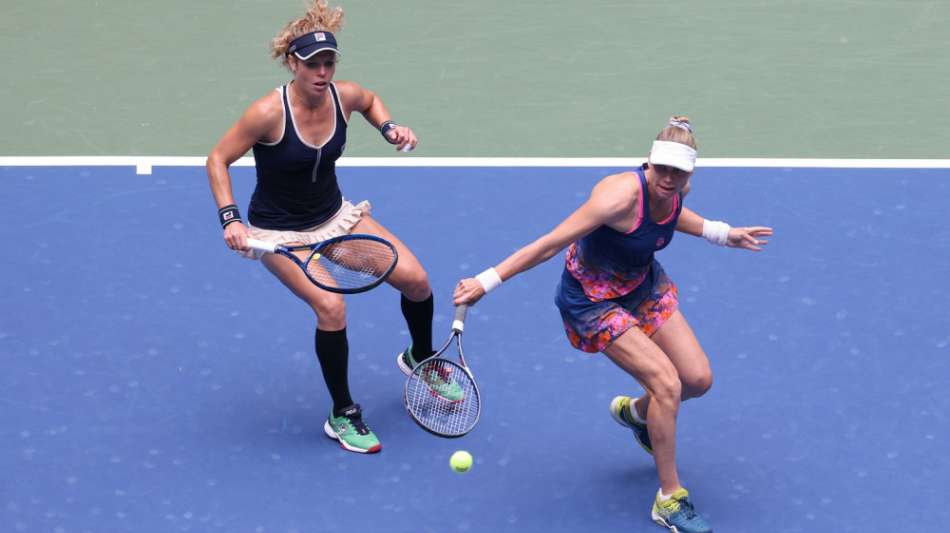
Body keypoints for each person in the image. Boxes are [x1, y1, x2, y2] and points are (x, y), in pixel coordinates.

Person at [454, 116, 773, 532]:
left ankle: (638, 414)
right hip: (591, 302)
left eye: (679, 172)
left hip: (641, 286)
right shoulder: (616, 197)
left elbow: (673, 215)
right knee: (667, 384)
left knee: (697, 379)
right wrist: (487, 280)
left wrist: (720, 232)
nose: (669, 178)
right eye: (662, 169)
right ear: (649, 161)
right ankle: (669, 499)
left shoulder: (675, 190)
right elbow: (549, 244)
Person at [206, 0, 457, 454]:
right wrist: (231, 218)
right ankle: (342, 412)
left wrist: (390, 127)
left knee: (417, 281)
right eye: (312, 65)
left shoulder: (345, 95)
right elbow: (217, 159)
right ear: (292, 64)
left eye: (328, 63)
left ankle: (420, 357)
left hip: (335, 218)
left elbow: (371, 100)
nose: (321, 73)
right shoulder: (267, 113)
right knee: (331, 309)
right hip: (281, 235)